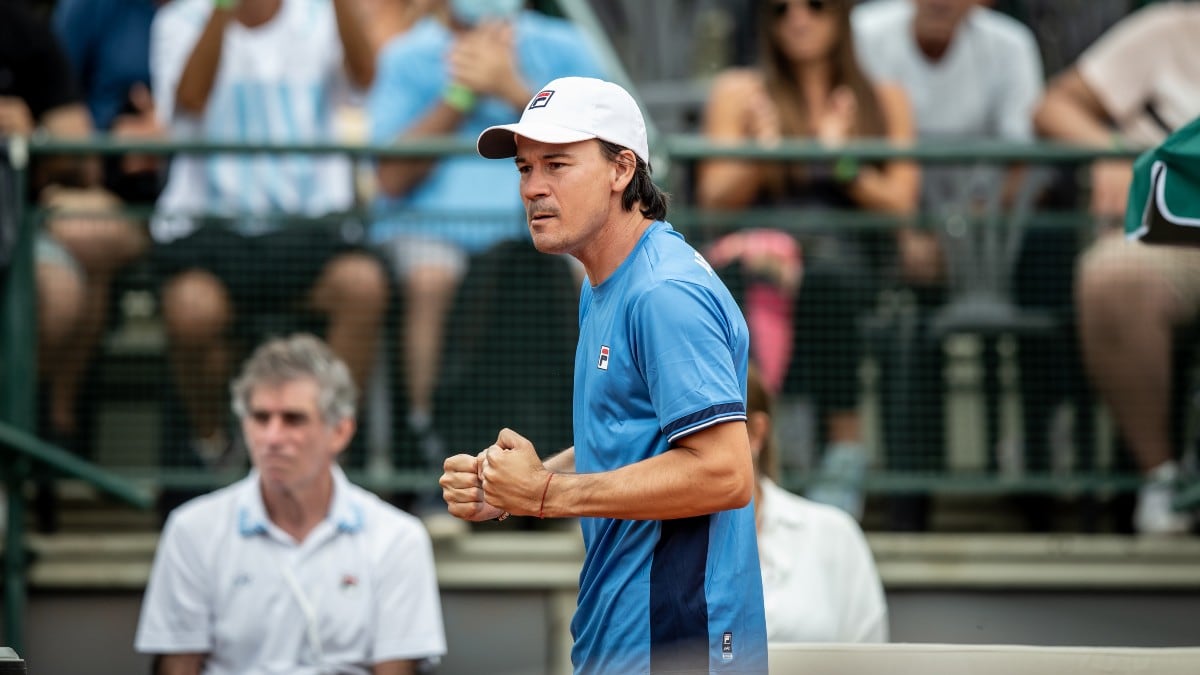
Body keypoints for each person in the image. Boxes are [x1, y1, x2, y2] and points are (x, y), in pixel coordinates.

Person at [440, 76, 769, 674]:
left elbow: (725, 473)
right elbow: (630, 438)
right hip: (625, 641)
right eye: (524, 169)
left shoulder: (664, 293)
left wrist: (544, 495)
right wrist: (517, 483)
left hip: (675, 645)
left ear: (622, 170)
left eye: (557, 165)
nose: (533, 188)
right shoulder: (609, 281)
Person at [695, 0, 920, 520]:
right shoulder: (740, 92)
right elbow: (714, 193)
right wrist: (764, 153)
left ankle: (843, 456)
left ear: (840, 16)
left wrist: (839, 160)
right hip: (757, 260)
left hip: (845, 263)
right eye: (780, 10)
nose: (798, 19)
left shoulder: (882, 99)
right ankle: (756, 456)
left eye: (815, 7)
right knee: (742, 287)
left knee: (827, 284)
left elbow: (900, 201)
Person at [149, 0, 389, 475]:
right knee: (192, 311)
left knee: (362, 286)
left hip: (307, 232)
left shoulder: (322, 14)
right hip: (212, 232)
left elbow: (366, 80)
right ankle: (214, 445)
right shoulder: (179, 19)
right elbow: (190, 101)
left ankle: (325, 455)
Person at [367, 0, 604, 461]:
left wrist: (512, 88)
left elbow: (603, 151)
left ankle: (595, 436)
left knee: (596, 276)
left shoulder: (565, 45)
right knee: (429, 277)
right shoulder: (405, 55)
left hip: (555, 230)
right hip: (434, 233)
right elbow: (391, 176)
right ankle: (427, 442)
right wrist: (461, 95)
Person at [135, 333, 446, 674]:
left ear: (340, 432)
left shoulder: (397, 538)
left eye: (293, 419)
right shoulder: (192, 530)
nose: (271, 438)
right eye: (260, 417)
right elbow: (177, 666)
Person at [852, 0, 1046, 531]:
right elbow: (861, 150)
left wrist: (964, 238)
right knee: (901, 328)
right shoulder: (866, 31)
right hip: (892, 239)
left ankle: (1040, 492)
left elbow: (1022, 162)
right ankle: (909, 505)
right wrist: (908, 234)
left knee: (1051, 297)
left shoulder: (1011, 45)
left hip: (991, 246)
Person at [1033, 1, 1200, 535]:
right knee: (1111, 277)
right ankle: (1165, 481)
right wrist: (1113, 153)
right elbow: (1054, 106)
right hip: (1176, 232)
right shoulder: (1170, 28)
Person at [2, 1, 148, 531]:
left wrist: (33, 132)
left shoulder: (22, 30)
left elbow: (78, 148)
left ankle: (43, 429)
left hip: (19, 225)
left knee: (73, 274)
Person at [746, 365, 888, 643]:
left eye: (710, 426)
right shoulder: (657, 541)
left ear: (756, 433)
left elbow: (872, 659)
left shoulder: (834, 535)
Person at [53, 0, 168, 206]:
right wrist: (111, 137)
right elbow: (55, 107)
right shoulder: (86, 7)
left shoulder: (215, 11)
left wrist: (168, 131)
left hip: (195, 187)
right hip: (104, 188)